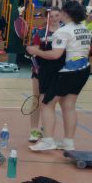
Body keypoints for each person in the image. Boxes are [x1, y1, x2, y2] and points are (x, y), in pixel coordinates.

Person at [27, 1, 90, 152]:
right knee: (69, 105)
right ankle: (68, 142)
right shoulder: (84, 29)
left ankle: (48, 141)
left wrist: (35, 51)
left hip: (68, 72)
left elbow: (55, 55)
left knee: (47, 104)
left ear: (66, 13)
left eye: (61, 12)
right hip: (84, 70)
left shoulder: (62, 31)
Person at [28, 9, 63, 143]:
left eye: (56, 15)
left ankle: (45, 129)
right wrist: (33, 54)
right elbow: (35, 51)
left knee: (50, 102)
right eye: (50, 16)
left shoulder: (65, 32)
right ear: (45, 18)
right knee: (36, 99)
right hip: (40, 70)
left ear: (61, 16)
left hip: (58, 72)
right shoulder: (40, 33)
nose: (53, 18)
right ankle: (34, 130)